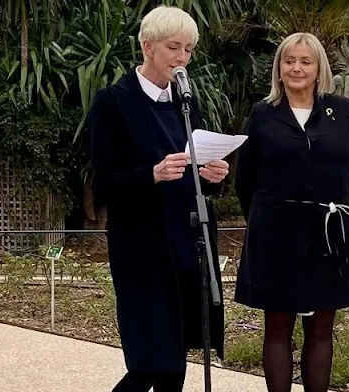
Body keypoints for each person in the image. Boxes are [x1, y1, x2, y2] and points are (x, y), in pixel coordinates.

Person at [88, 6, 229, 391]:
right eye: (173, 48)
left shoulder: (186, 102)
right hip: (142, 250)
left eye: (188, 49)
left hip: (186, 244)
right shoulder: (114, 102)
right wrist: (150, 174)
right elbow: (103, 186)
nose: (182, 58)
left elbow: (192, 168)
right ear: (147, 47)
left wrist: (212, 176)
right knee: (151, 362)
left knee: (177, 360)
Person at [234, 32, 349, 392]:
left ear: (318, 67)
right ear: (278, 69)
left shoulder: (341, 111)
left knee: (322, 328)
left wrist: (336, 214)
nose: (296, 68)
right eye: (289, 61)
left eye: (305, 61)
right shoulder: (263, 115)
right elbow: (245, 180)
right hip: (276, 235)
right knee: (278, 328)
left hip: (328, 235)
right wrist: (267, 216)